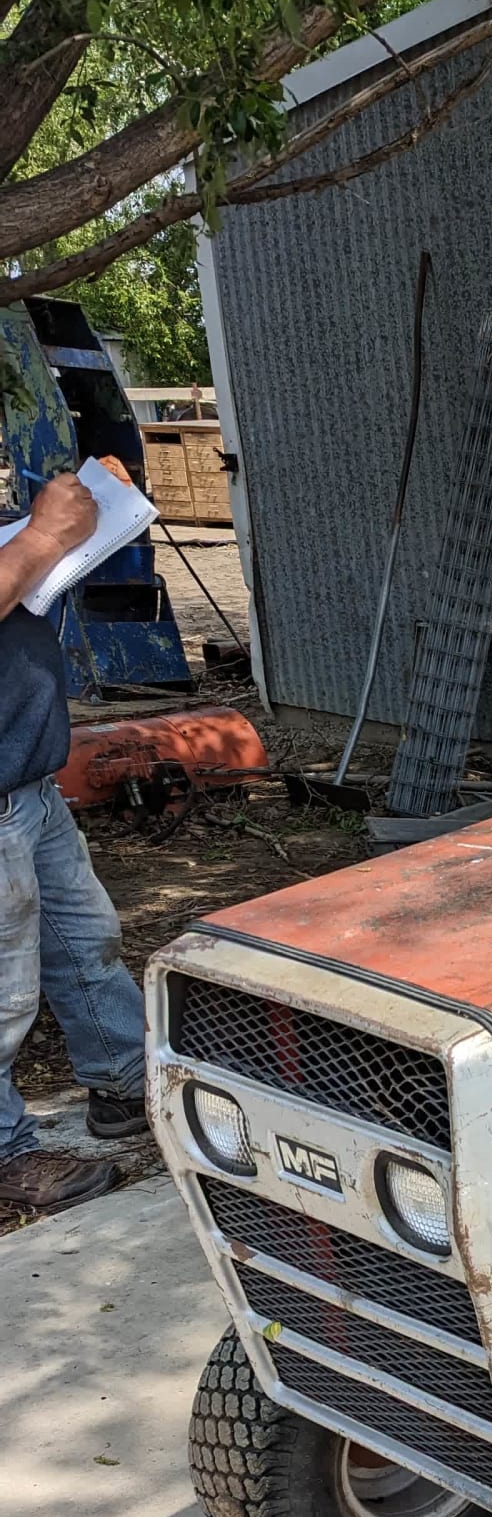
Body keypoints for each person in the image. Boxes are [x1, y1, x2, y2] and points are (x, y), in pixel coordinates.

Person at [0, 462, 150, 1211]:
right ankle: (4, 1156)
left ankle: (125, 1083)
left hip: (25, 784)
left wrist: (94, 512)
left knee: (84, 942)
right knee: (1, 996)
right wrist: (43, 533)